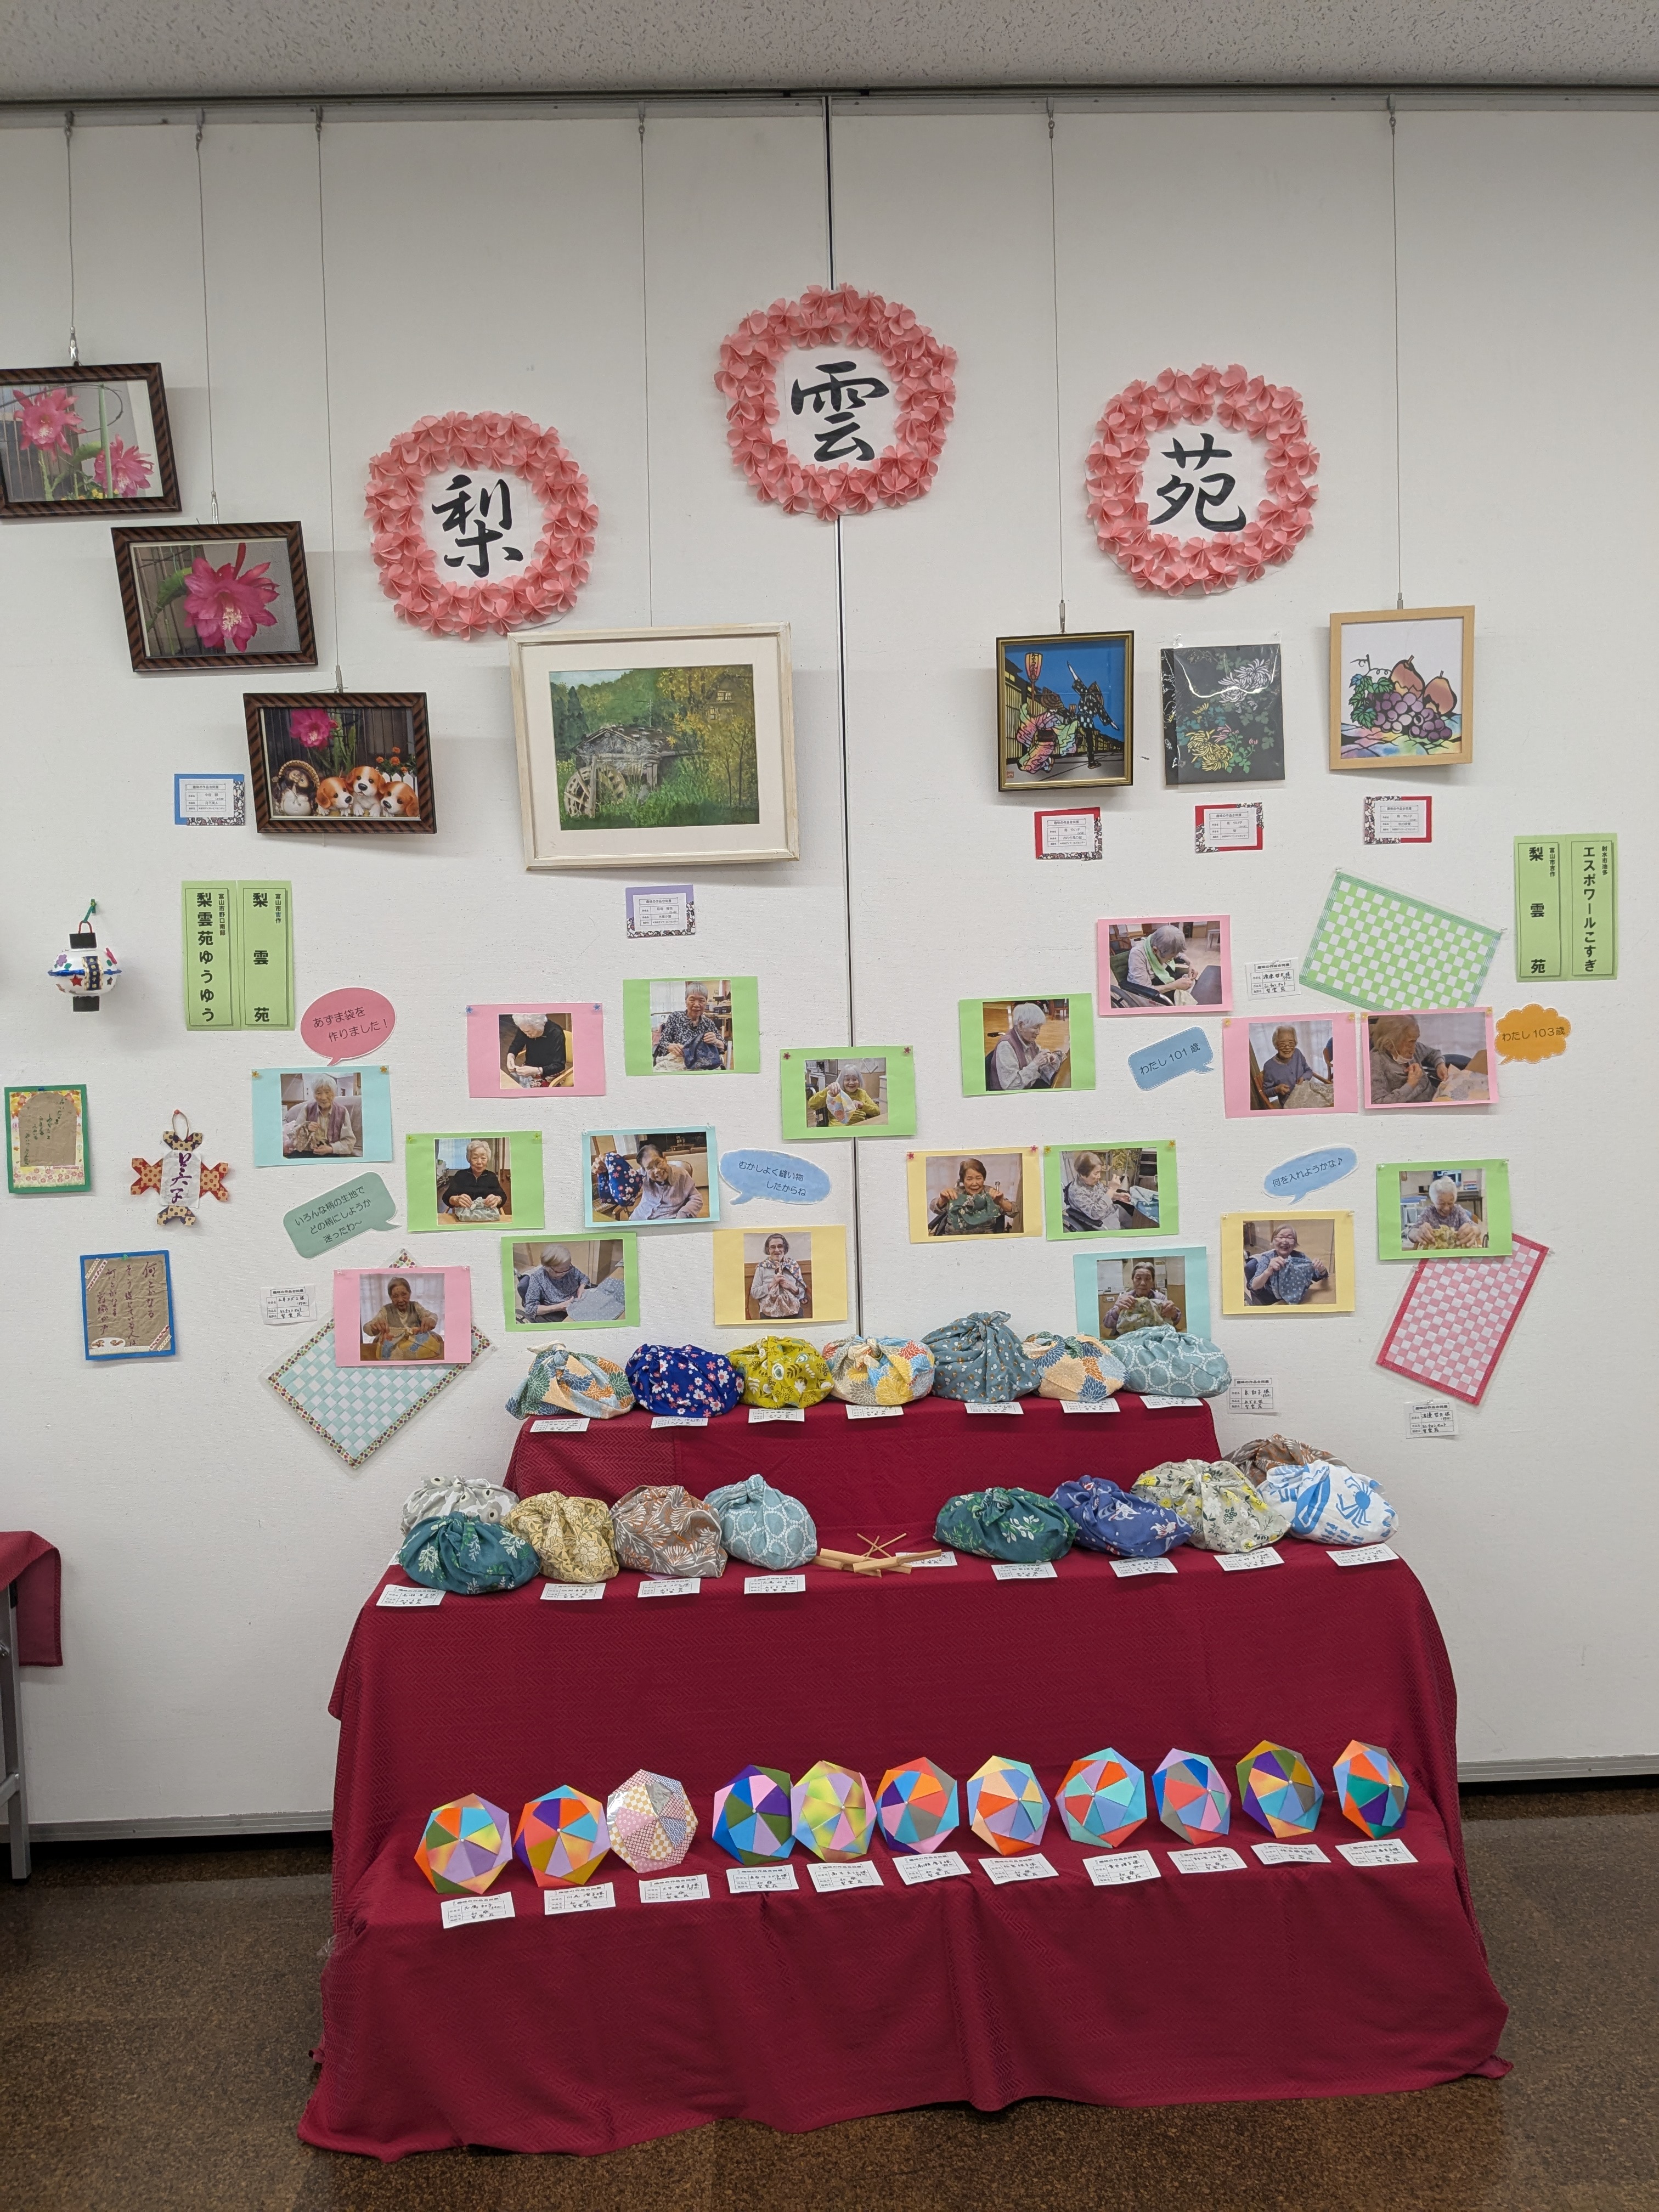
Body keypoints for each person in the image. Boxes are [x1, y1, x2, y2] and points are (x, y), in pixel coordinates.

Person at [1367, 1014, 1463, 1104]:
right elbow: (1378, 1103)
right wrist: (1410, 1085)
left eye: (1415, 1041)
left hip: (1436, 1096)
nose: (1414, 1050)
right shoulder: (1375, 1062)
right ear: (1389, 1044)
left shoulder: (1414, 1046)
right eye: (1410, 1043)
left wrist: (1440, 1065)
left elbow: (1433, 1053)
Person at [1063, 1150, 1153, 1232]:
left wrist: (1118, 1195)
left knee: (1137, 1224)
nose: (1099, 1177)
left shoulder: (1092, 1181)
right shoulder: (1077, 1192)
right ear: (1083, 1175)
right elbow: (1096, 1214)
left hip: (1112, 1209)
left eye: (1099, 1172)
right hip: (1102, 1220)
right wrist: (1112, 1190)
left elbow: (1104, 1192)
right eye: (1096, 1173)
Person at [929, 1158, 1018, 1235]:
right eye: (969, 1179)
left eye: (979, 1178)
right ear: (963, 1181)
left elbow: (1015, 1211)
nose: (974, 1183)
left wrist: (1001, 1202)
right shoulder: (955, 1193)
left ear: (984, 1179)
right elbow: (934, 1208)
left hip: (983, 1239)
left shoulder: (991, 1194)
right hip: (953, 1237)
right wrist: (942, 1201)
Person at [1245, 1224, 1329, 1305]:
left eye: (1290, 1238)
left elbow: (1319, 1277)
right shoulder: (1267, 1258)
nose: (1285, 1241)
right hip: (1276, 1300)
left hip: (1300, 1295)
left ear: (1295, 1244)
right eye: (1281, 1237)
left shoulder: (1300, 1257)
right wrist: (1268, 1272)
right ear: (1273, 1241)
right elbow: (1254, 1286)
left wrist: (1321, 1269)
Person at [988, 1004, 1064, 1090]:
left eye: (1040, 1027)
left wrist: (1046, 1055)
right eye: (1035, 1027)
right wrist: (1035, 1064)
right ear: (1021, 1025)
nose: (1038, 1032)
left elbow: (1037, 1052)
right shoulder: (1006, 1047)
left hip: (1032, 1082)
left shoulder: (1026, 1037)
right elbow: (1011, 1086)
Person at [363, 1276, 442, 1359]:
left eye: (404, 1295)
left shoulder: (415, 1306)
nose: (400, 1300)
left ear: (410, 1294)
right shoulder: (386, 1310)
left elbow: (432, 1316)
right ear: (391, 1297)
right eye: (395, 1296)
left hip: (416, 1347)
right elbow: (367, 1327)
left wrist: (431, 1320)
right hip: (394, 1350)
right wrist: (374, 1328)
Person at [652, 984, 727, 1071]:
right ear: (686, 1002)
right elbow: (663, 1042)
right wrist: (671, 1046)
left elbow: (724, 1045)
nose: (697, 1005)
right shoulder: (675, 1017)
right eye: (692, 1000)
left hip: (702, 1063)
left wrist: (716, 1041)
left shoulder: (708, 1023)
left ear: (706, 1003)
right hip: (677, 1062)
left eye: (701, 1000)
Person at [285, 1075, 361, 1157]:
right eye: (318, 1093)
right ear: (314, 1095)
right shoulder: (307, 1109)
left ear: (334, 1093)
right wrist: (306, 1128)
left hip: (331, 1152)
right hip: (308, 1151)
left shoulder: (342, 1111)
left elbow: (349, 1141)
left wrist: (331, 1149)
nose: (323, 1098)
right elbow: (295, 1137)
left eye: (327, 1092)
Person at [1101, 1260, 1180, 1335]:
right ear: (1133, 1280)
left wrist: (1174, 1314)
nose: (1143, 1283)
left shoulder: (1160, 1298)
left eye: (1148, 1279)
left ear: (1153, 1281)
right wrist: (1118, 1311)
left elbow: (1174, 1321)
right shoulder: (1125, 1298)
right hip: (1129, 1338)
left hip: (1154, 1336)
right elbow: (1107, 1323)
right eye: (1138, 1278)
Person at [629, 1142, 705, 1219]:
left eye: (658, 1163)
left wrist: (684, 1213)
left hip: (666, 1219)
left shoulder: (681, 1175)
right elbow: (627, 1184)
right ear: (644, 1169)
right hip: (640, 1216)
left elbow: (696, 1197)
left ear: (664, 1158)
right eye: (650, 1168)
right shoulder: (641, 1175)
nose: (657, 1170)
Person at [1122, 926, 1194, 1005]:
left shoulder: (1157, 942)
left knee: (1190, 983)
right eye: (1170, 958)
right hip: (1146, 988)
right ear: (1155, 950)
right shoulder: (1137, 955)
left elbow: (1177, 953)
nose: (1173, 959)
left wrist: (1190, 963)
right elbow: (1145, 989)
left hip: (1160, 976)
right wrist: (1174, 986)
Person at [1407, 1176, 1486, 1248]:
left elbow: (1476, 1228)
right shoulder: (1429, 1212)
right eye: (1442, 1204)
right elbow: (1411, 1233)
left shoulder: (1458, 1210)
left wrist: (1474, 1230)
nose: (1447, 1208)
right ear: (1434, 1202)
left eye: (1450, 1203)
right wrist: (1417, 1233)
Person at [519, 1245, 590, 1320]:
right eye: (561, 1270)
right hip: (562, 1314)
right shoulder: (538, 1279)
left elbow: (584, 1278)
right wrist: (559, 1307)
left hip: (580, 1304)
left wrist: (582, 1286)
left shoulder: (569, 1269)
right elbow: (530, 1309)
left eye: (568, 1267)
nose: (566, 1271)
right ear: (549, 1269)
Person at [442, 1139, 508, 1221]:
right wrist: (456, 1199)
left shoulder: (492, 1177)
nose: (479, 1162)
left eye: (483, 1158)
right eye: (475, 1158)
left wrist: (498, 1199)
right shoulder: (460, 1175)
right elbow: (446, 1197)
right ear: (469, 1159)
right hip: (465, 1219)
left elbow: (503, 1196)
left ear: (487, 1160)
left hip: (486, 1219)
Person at [749, 1233, 809, 1319]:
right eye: (773, 1247)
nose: (777, 1250)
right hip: (769, 1313)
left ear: (785, 1248)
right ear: (768, 1249)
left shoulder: (793, 1265)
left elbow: (803, 1293)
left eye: (780, 1246)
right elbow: (754, 1293)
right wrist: (771, 1285)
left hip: (794, 1312)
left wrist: (792, 1287)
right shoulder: (762, 1267)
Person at [805, 1062, 883, 1125]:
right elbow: (812, 1105)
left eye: (855, 1079)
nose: (851, 1083)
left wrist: (863, 1106)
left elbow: (877, 1112)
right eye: (847, 1079)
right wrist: (827, 1090)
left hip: (859, 1128)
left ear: (859, 1081)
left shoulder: (862, 1093)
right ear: (842, 1080)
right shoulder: (835, 1093)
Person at [504, 1013, 567, 1088]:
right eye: (524, 1032)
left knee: (526, 1091)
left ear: (539, 1025)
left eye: (529, 1032)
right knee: (510, 1083)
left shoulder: (556, 1033)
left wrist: (537, 1071)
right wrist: (511, 1056)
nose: (527, 1035)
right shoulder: (525, 1027)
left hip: (550, 1072)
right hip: (530, 1067)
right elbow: (516, 1044)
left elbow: (559, 1065)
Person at [1258, 1026, 1317, 1108]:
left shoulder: (1297, 1053)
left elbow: (1309, 1071)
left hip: (1307, 1093)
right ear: (1276, 1045)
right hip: (1290, 1102)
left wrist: (1303, 1078)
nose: (1287, 1047)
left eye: (1291, 1043)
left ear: (1295, 1043)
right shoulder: (1269, 1066)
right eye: (1282, 1044)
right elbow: (1266, 1091)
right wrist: (1277, 1089)